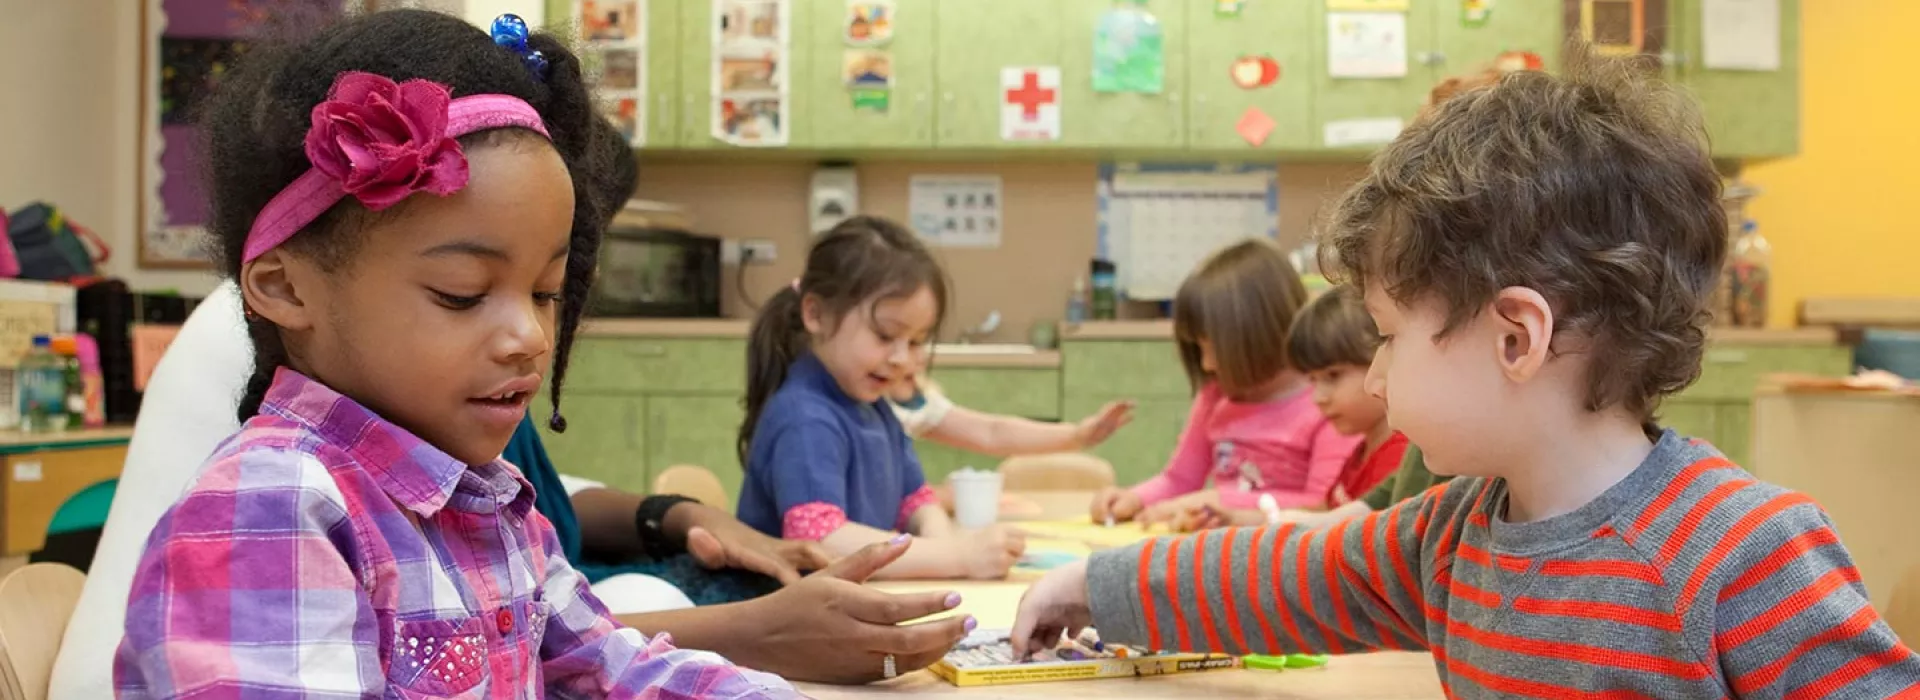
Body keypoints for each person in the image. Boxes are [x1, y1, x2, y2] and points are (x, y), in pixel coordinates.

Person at [1010, 49, 1920, 697]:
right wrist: (1092, 585)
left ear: (1517, 338)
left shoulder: (1747, 558)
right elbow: (1286, 574)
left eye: (1390, 335)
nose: (1373, 380)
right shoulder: (1449, 532)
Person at [115, 11, 800, 695]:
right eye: (462, 293)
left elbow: (609, 665)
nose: (530, 336)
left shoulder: (489, 498)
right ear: (287, 287)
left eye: (545, 293)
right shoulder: (273, 507)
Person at [737, 216, 1027, 580]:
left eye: (918, 341)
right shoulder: (805, 416)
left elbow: (916, 501)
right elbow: (821, 542)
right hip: (779, 620)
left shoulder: (875, 407)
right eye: (885, 335)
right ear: (815, 314)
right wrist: (957, 558)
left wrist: (947, 548)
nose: (902, 359)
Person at [1087, 239, 1359, 526]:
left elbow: (1322, 504)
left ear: (1257, 334)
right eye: (1199, 349)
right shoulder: (1214, 396)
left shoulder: (1328, 402)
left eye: (1213, 348)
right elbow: (1179, 479)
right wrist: (1133, 498)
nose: (1206, 364)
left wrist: (1218, 500)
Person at [1181, 285, 1407, 531]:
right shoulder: (1361, 451)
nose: (1318, 397)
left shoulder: (1398, 455)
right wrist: (1237, 518)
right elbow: (1325, 515)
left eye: (1332, 376)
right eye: (1313, 380)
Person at [888, 372, 1134, 457]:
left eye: (916, 343)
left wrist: (1078, 435)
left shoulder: (914, 404)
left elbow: (992, 432)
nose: (908, 359)